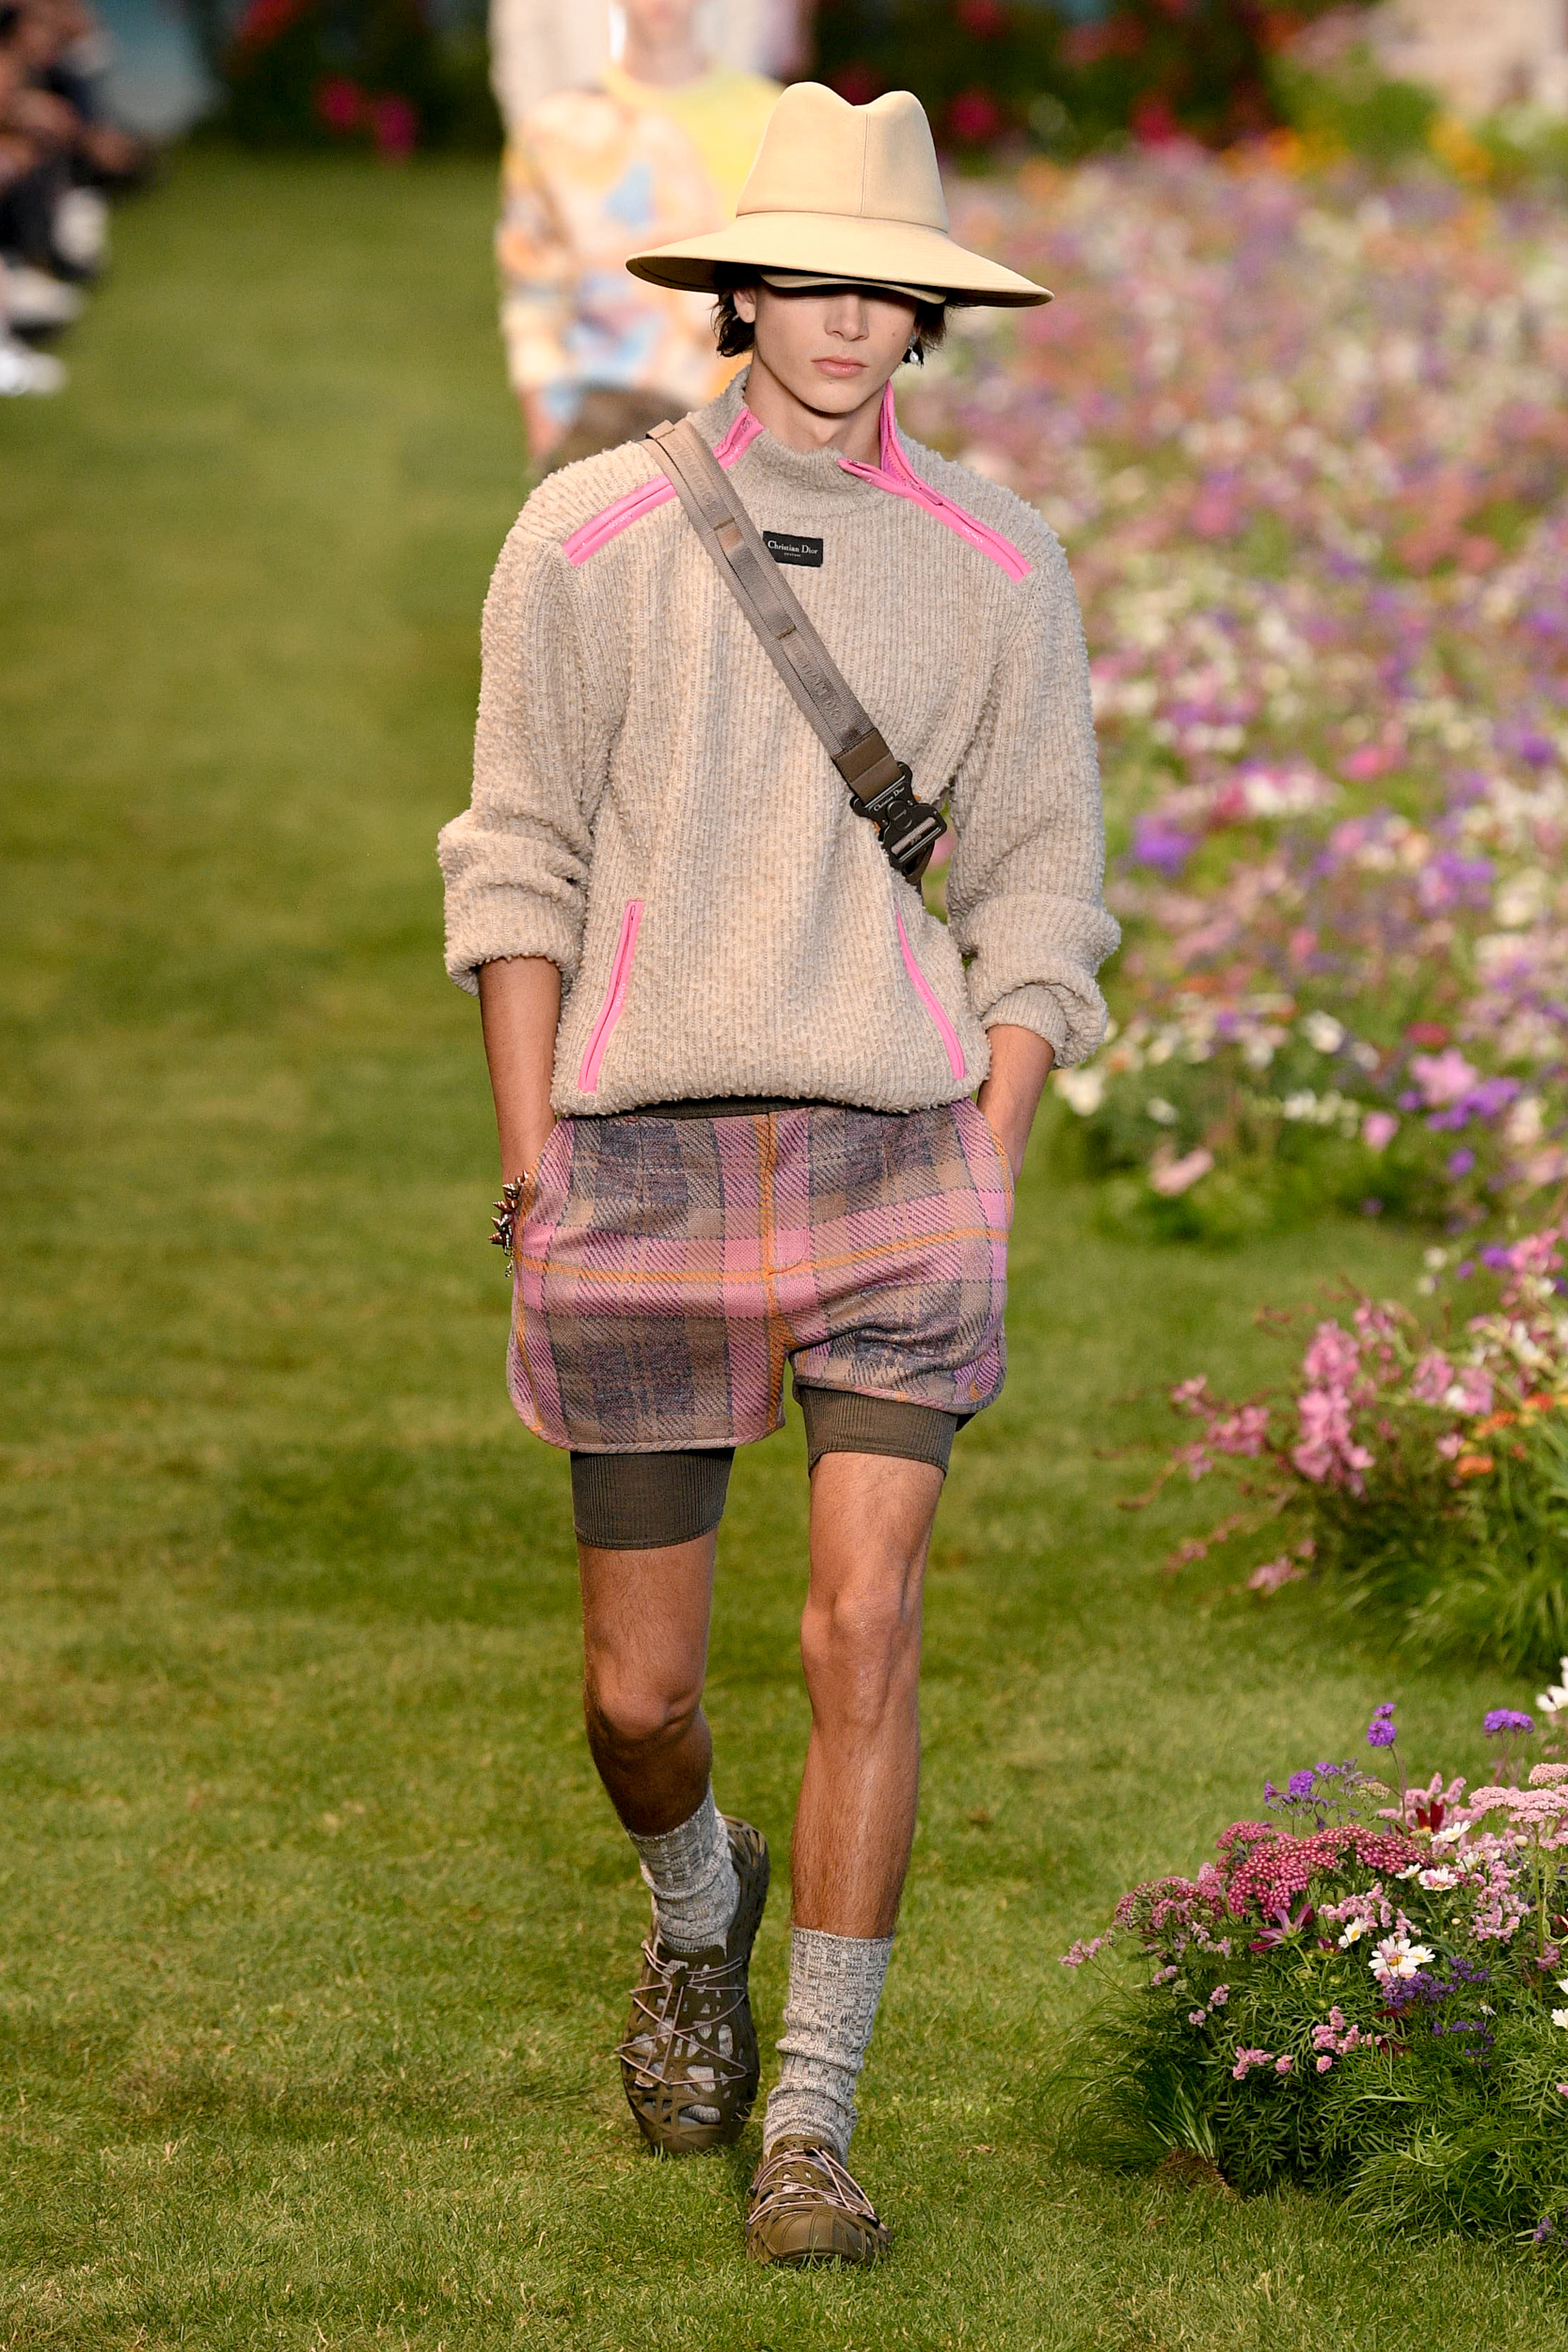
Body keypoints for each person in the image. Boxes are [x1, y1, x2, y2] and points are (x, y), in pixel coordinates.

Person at [438, 80, 1117, 2264]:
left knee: (862, 1627)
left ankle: (811, 2120)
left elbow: (1040, 889)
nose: (841, 318)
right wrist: (531, 1158)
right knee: (636, 1696)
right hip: (635, 1160)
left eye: (880, 288)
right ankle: (690, 1900)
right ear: (738, 290)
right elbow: (515, 860)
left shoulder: (999, 563)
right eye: (804, 278)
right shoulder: (585, 538)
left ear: (926, 314)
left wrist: (987, 1150)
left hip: (893, 1156)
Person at [494, 0, 778, 469]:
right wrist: (548, 436)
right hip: (597, 433)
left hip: (738, 430)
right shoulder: (553, 132)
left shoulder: (772, 123)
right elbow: (533, 298)